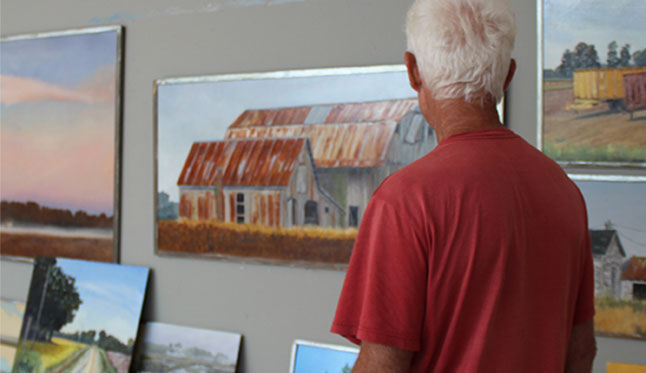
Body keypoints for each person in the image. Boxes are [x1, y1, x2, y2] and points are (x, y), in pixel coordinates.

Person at [330, 0, 597, 371]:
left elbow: (383, 364)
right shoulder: (564, 191)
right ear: (508, 76)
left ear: (413, 71)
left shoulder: (405, 199)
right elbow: (581, 351)